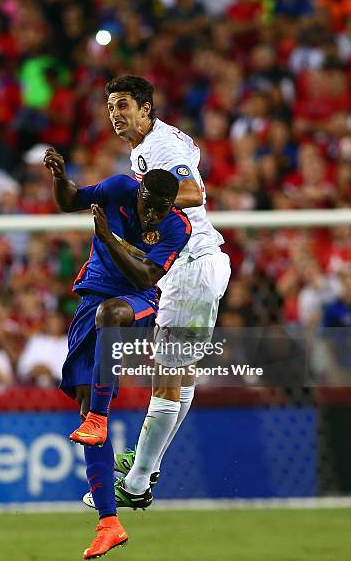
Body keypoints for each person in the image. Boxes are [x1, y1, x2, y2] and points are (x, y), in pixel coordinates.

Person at [43, 147, 191, 560]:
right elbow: (70, 200)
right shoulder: (118, 188)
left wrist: (108, 236)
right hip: (90, 300)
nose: (153, 215)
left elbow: (144, 274)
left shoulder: (177, 227)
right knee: (85, 397)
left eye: (163, 208)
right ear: (140, 191)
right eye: (150, 205)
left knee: (112, 315)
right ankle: (109, 523)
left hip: (137, 302)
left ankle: (100, 419)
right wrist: (59, 176)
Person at [104, 75, 231, 506]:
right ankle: (145, 460)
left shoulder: (161, 147)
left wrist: (143, 203)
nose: (115, 115)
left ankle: (137, 484)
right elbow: (192, 153)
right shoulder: (158, 142)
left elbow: (195, 191)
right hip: (195, 266)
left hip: (192, 266)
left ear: (145, 108)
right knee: (181, 374)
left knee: (166, 376)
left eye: (123, 105)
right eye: (110, 107)